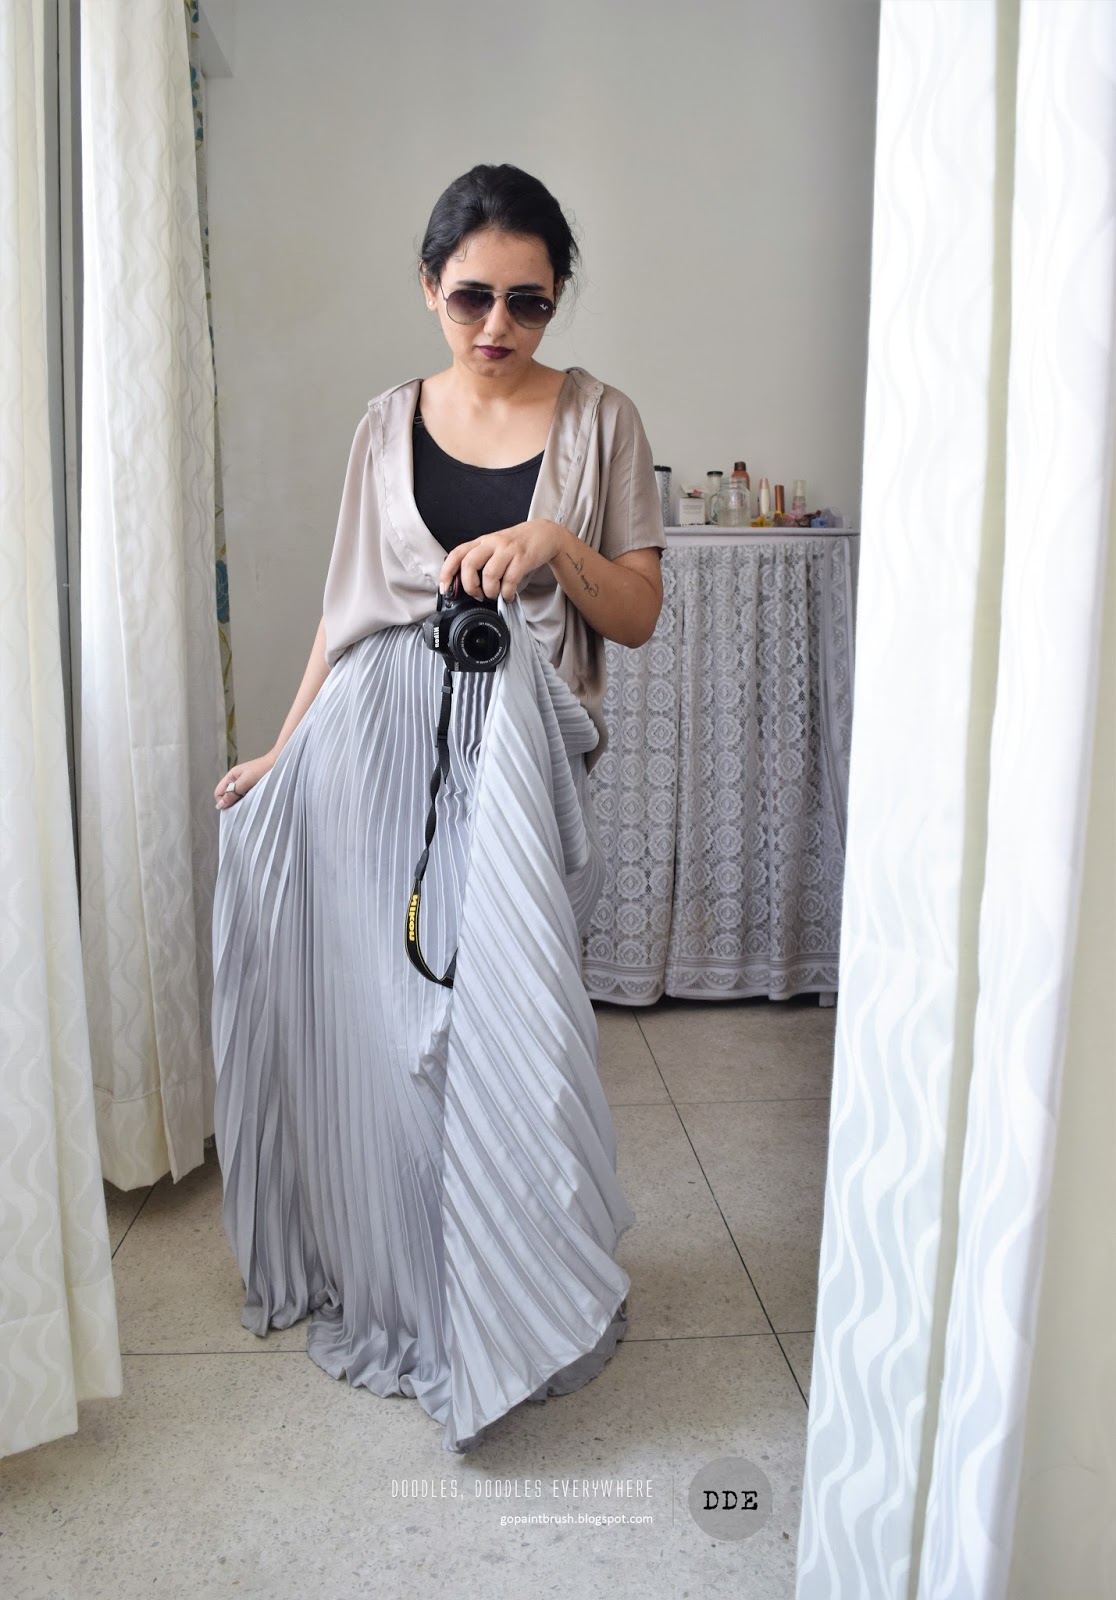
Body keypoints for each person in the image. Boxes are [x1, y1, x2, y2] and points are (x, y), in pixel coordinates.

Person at [210, 163, 667, 1453]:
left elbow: (636, 615)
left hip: (521, 762)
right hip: (370, 748)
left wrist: (553, 547)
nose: (498, 327)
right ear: (428, 286)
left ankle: (522, 1298)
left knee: (503, 1029)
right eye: (472, 297)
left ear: (557, 297)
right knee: (395, 1044)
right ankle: (421, 1296)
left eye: (529, 301)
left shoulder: (603, 422)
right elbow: (344, 611)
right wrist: (282, 748)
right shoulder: (384, 424)